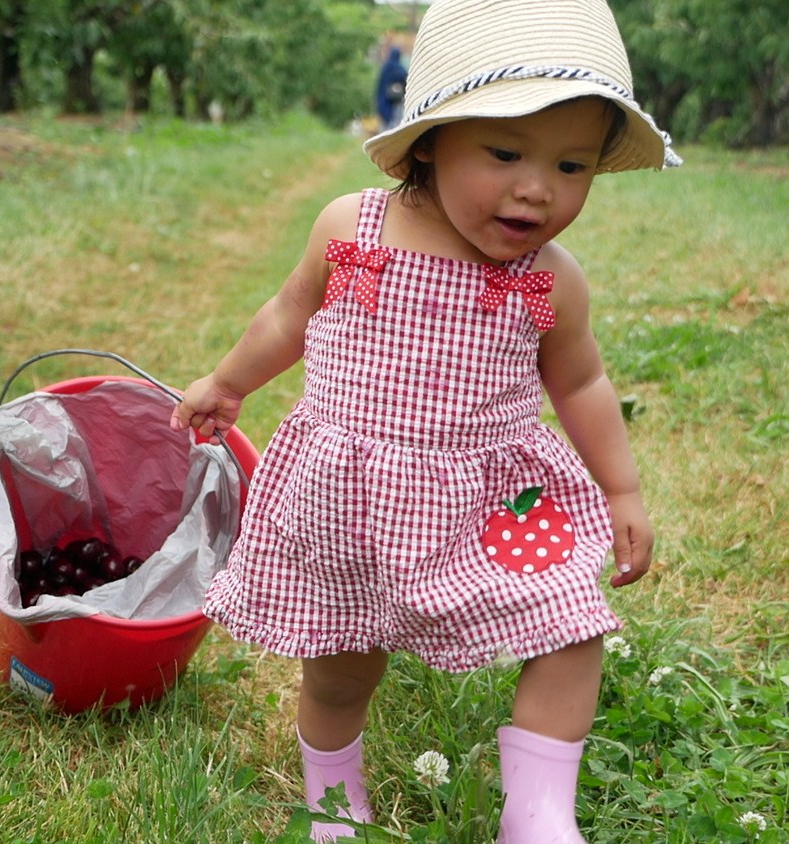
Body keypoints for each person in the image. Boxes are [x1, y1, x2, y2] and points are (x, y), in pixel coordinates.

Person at [170, 0, 680, 840]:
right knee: (341, 667)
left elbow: (582, 383)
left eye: (571, 166)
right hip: (353, 500)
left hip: (493, 501)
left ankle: (539, 815)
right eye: (507, 152)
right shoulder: (354, 231)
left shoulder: (551, 280)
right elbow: (286, 316)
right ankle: (334, 801)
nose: (535, 188)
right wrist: (228, 382)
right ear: (430, 140)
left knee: (570, 622)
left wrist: (620, 487)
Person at [376, 46, 408, 131]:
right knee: (395, 123)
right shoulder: (399, 68)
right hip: (395, 100)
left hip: (383, 99)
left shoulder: (385, 67)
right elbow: (405, 78)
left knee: (384, 125)